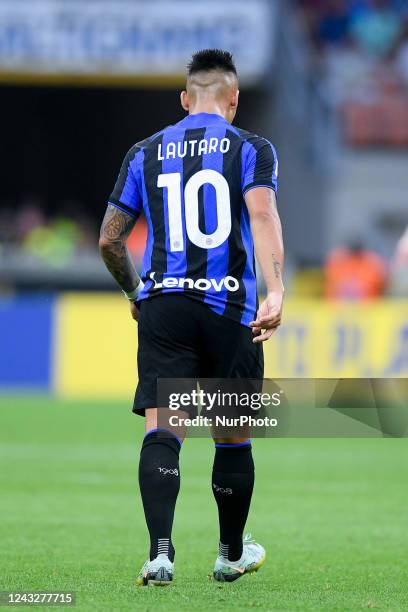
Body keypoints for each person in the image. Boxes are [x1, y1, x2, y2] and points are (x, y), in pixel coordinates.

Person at [99, 49, 284, 586]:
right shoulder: (252, 148)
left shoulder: (144, 152)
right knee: (231, 434)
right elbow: (263, 211)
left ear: (185, 100)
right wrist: (276, 290)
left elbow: (110, 238)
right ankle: (230, 553)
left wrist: (135, 290)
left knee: (164, 429)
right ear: (234, 100)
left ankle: (160, 554)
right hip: (231, 307)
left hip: (166, 306)